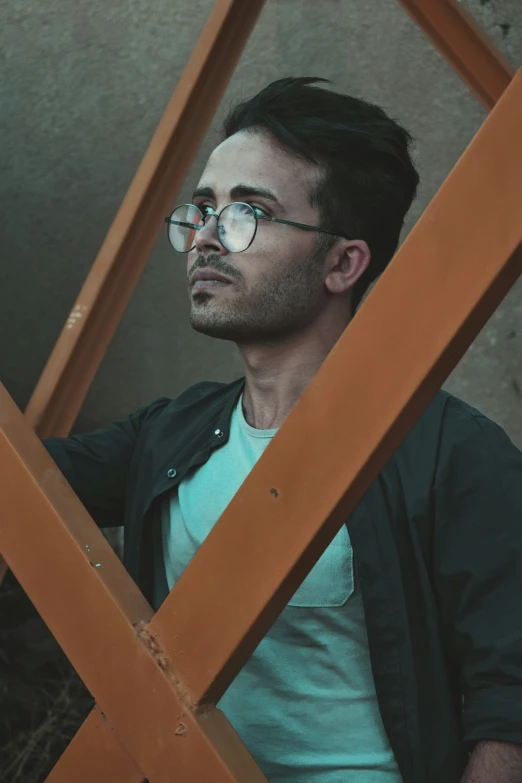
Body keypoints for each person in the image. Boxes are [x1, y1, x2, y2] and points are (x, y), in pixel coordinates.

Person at [44, 77, 522, 783]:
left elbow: (508, 700)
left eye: (248, 213)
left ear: (342, 263)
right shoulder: (170, 433)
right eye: (202, 208)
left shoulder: (451, 452)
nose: (206, 235)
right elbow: (25, 488)